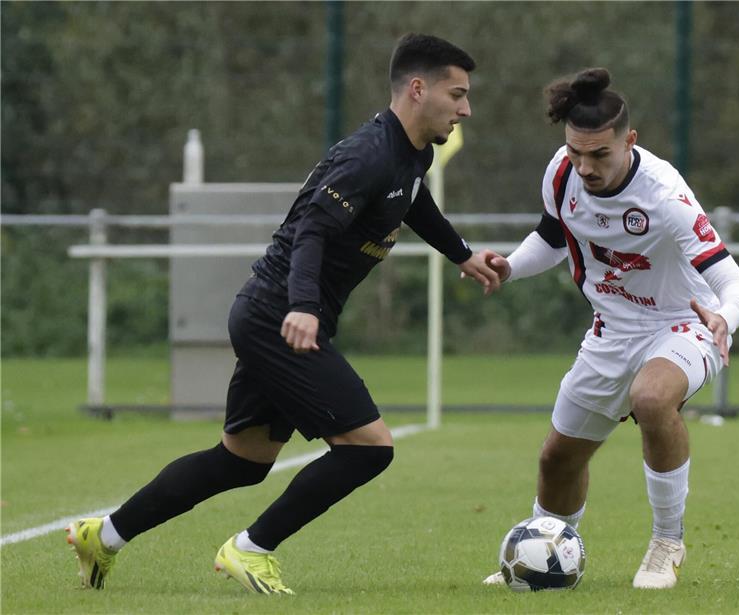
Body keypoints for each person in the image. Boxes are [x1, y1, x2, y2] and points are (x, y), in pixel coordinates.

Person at [66, 33, 500, 595]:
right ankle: (250, 550)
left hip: (274, 314)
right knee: (370, 448)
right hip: (278, 314)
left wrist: (462, 254)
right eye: (457, 94)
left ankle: (103, 536)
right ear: (418, 89)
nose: (466, 109)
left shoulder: (412, 153)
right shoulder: (367, 155)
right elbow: (311, 232)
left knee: (242, 462)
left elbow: (413, 200)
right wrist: (302, 307)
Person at [476, 68, 739, 589]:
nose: (585, 167)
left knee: (652, 398)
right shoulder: (561, 174)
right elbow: (553, 238)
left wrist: (725, 317)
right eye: (575, 152)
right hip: (612, 331)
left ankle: (667, 543)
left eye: (599, 155)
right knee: (557, 459)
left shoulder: (665, 196)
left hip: (686, 323)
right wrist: (510, 266)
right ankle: (542, 555)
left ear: (630, 141)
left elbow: (737, 286)